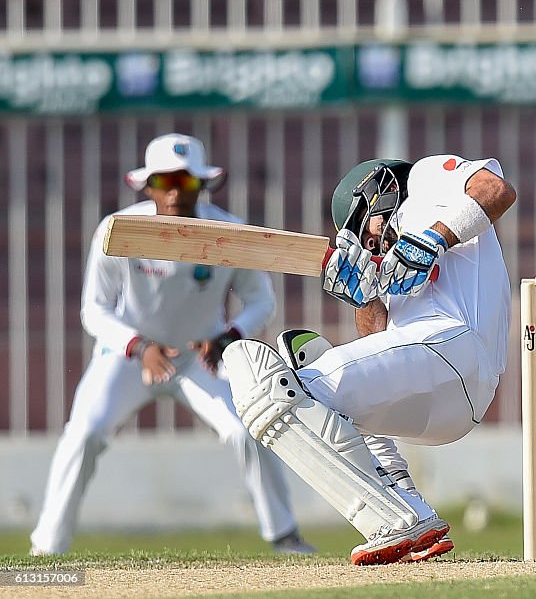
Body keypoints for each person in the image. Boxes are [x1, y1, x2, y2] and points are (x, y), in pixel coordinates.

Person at [220, 154, 516, 565]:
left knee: (272, 387)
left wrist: (432, 239)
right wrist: (366, 290)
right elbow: (377, 347)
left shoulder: (425, 181)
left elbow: (496, 191)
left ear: (378, 194)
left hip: (453, 344)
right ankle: (411, 509)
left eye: (368, 234)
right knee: (315, 384)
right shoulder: (390, 259)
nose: (374, 246)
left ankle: (390, 522)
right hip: (444, 399)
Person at [30, 134, 314, 556]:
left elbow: (261, 301)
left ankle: (284, 536)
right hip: (127, 356)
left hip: (201, 357)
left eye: (187, 181)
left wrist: (228, 336)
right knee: (84, 433)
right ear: (148, 186)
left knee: (247, 429)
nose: (176, 191)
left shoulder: (228, 233)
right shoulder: (118, 230)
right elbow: (94, 310)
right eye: (165, 182)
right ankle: (48, 549)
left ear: (203, 185)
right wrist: (138, 346)